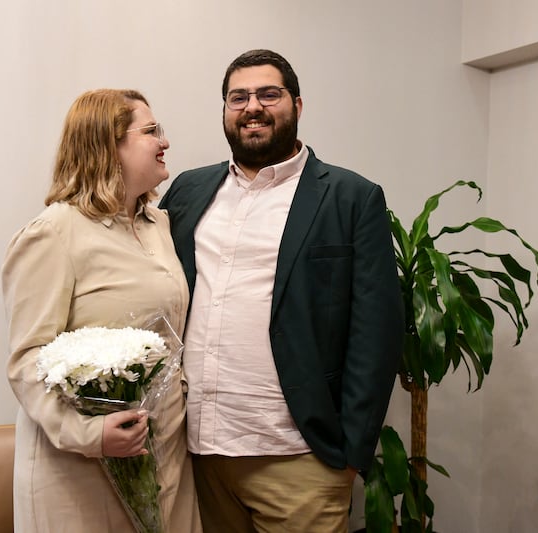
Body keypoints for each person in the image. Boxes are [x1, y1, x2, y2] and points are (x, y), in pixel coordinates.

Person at [159, 49, 404, 532]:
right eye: (239, 97)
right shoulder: (188, 192)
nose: (253, 106)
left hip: (299, 462)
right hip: (198, 456)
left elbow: (377, 333)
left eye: (268, 94)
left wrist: (350, 453)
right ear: (225, 110)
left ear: (296, 104)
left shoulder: (351, 198)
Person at [2, 89, 201, 532]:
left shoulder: (159, 224)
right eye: (151, 131)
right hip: (80, 471)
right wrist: (91, 435)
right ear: (107, 146)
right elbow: (26, 362)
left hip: (166, 456)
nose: (164, 141)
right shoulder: (53, 234)